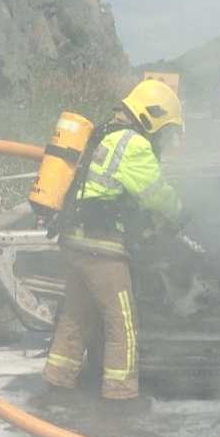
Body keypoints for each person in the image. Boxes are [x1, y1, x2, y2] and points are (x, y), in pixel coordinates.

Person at [40, 79, 184, 414]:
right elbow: (154, 193)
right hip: (101, 247)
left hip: (75, 241)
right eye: (163, 129)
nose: (161, 137)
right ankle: (121, 399)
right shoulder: (132, 144)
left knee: (77, 314)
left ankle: (57, 385)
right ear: (151, 117)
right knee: (123, 323)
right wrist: (179, 213)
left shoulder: (102, 133)